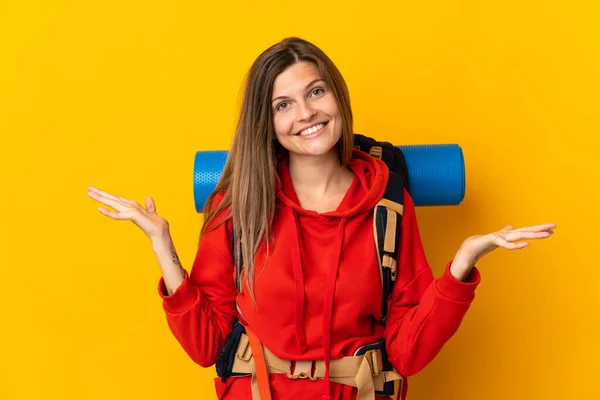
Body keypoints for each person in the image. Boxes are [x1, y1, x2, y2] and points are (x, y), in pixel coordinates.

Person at [87, 37, 556, 400]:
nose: (306, 113)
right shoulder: (238, 205)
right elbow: (207, 346)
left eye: (315, 92)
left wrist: (461, 267)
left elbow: (408, 352)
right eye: (282, 104)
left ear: (338, 96)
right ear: (266, 123)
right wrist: (161, 244)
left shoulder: (388, 207)